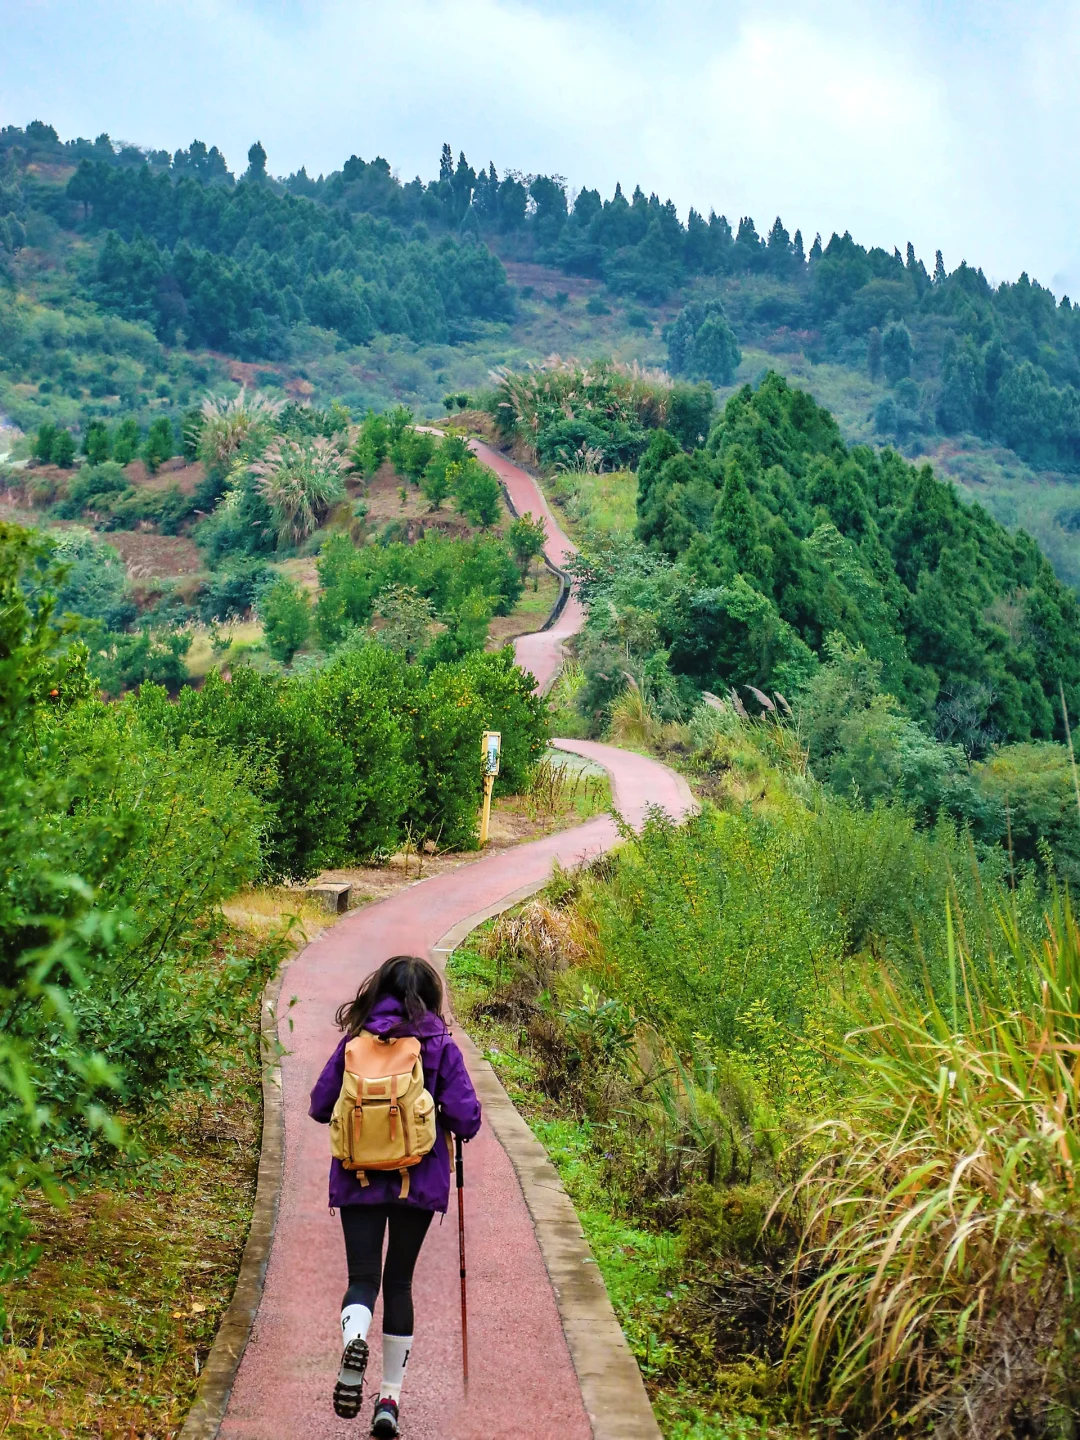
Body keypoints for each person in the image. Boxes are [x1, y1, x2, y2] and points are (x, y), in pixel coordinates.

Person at [309, 954, 481, 1438]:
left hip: (357, 1177)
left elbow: (321, 1107)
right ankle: (388, 1400)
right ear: (430, 996)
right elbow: (467, 1119)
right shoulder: (438, 1044)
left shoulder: (356, 1040)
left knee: (362, 1278)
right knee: (399, 1284)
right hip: (417, 1180)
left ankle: (354, 1337)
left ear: (377, 989)